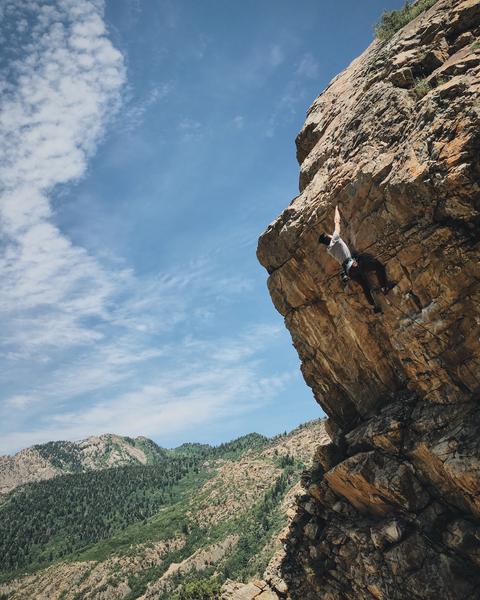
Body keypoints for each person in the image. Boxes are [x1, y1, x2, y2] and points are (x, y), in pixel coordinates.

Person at [318, 206, 394, 313]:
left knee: (365, 286)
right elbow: (337, 222)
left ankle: (375, 307)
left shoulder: (329, 250)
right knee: (377, 265)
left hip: (349, 272)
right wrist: (336, 209)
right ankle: (384, 287)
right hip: (353, 264)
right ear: (328, 236)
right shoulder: (335, 238)